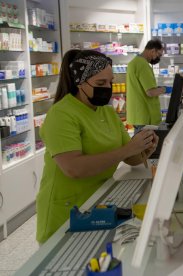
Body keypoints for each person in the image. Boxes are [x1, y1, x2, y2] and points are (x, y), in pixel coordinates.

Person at [36, 50, 159, 243]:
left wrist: (144, 148)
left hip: (98, 202)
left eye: (110, 82)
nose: (108, 88)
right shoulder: (61, 114)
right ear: (79, 82)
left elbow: (129, 158)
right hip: (67, 210)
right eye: (100, 84)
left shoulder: (107, 112)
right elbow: (73, 168)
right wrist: (128, 149)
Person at [126, 39, 166, 129]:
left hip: (137, 114)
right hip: (145, 115)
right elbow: (150, 92)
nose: (158, 58)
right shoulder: (143, 65)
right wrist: (165, 89)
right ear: (153, 51)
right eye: (158, 55)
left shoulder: (134, 62)